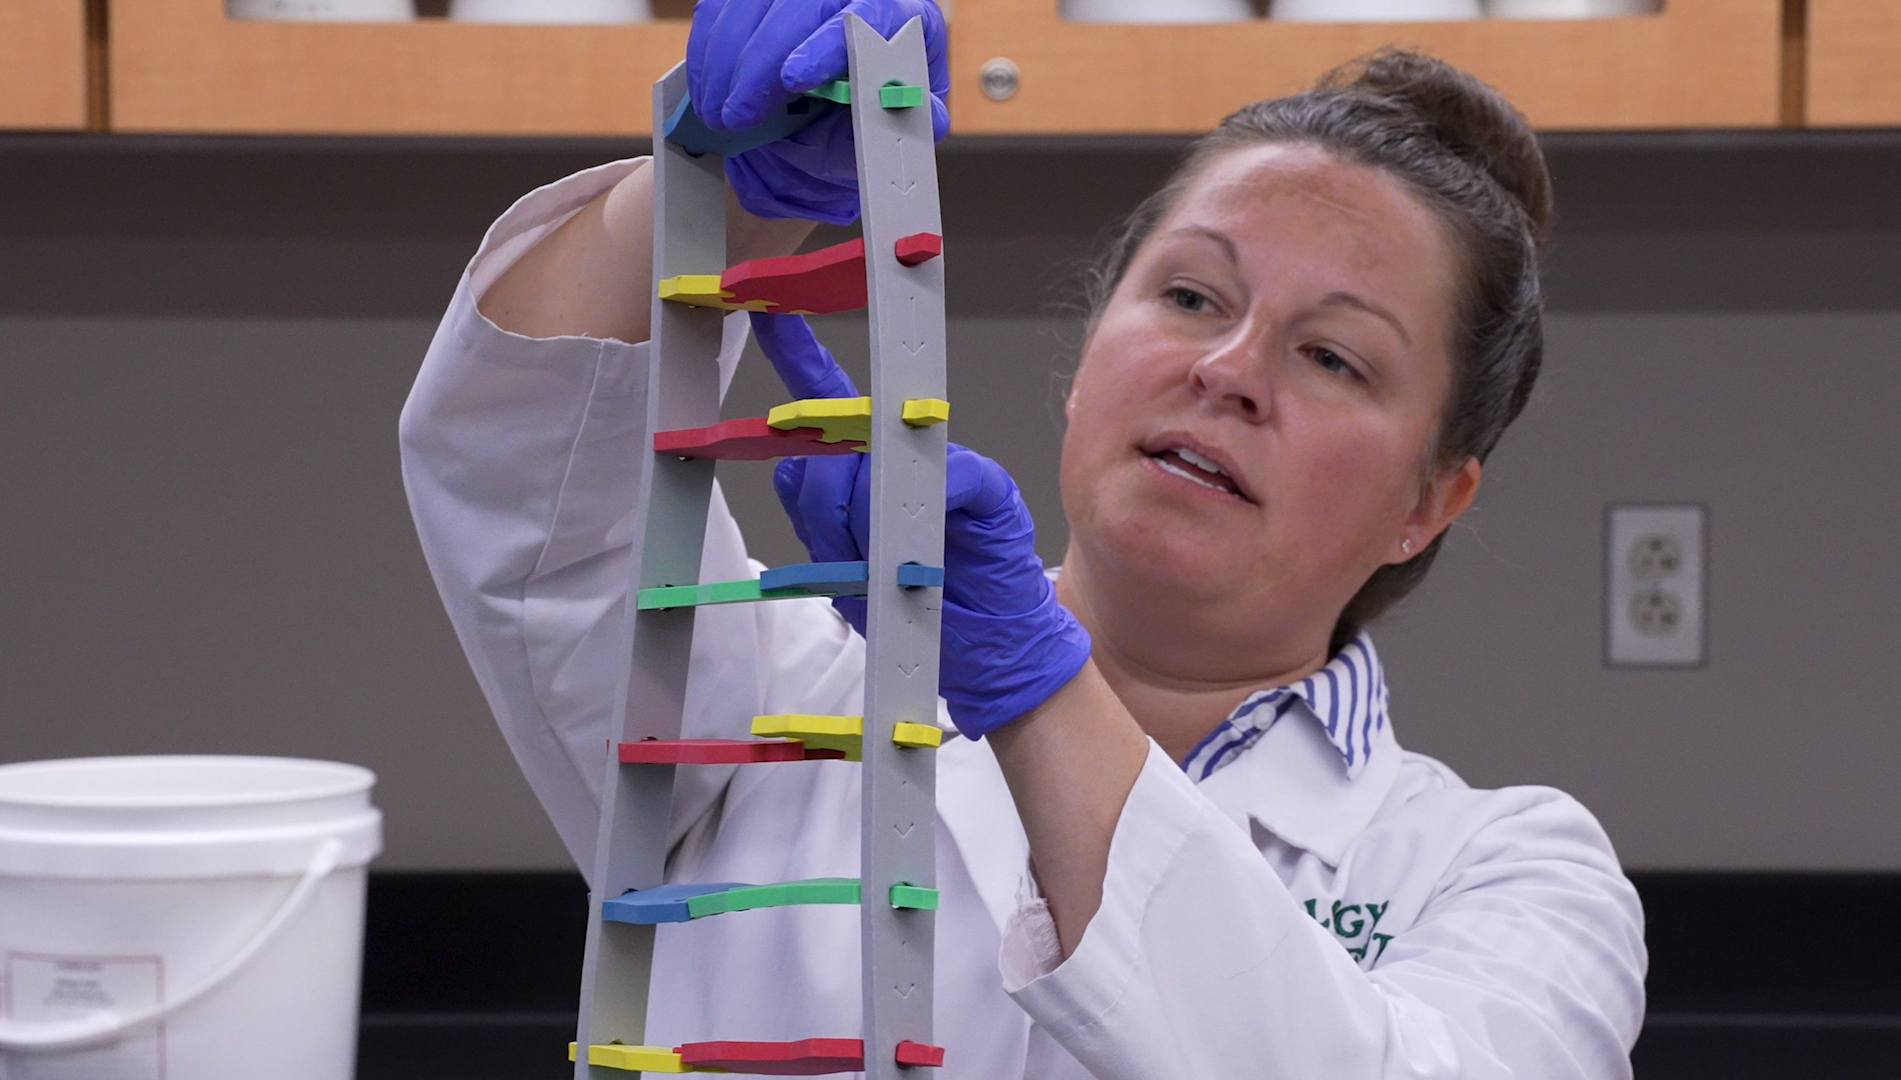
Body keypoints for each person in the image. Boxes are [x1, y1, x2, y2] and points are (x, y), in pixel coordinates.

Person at [400, 2, 1647, 1075]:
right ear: (1084, 360)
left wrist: (1028, 683)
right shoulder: (772, 704)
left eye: (1332, 356)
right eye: (1191, 296)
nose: (1227, 369)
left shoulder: (1505, 875)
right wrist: (717, 196)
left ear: (1431, 500)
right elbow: (531, 474)